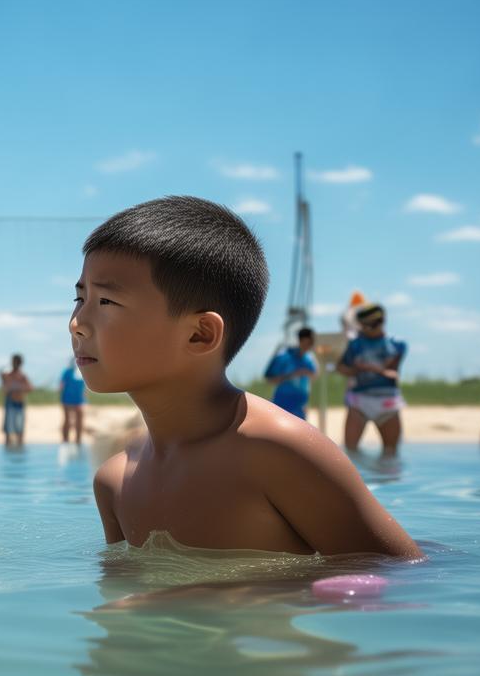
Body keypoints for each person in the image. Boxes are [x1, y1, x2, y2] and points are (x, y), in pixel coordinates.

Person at [76, 196, 420, 557]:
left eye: (106, 303)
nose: (77, 324)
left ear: (200, 334)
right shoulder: (115, 481)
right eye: (79, 299)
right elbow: (122, 592)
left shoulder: (277, 452)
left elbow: (395, 571)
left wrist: (233, 595)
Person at [336, 304, 407, 457]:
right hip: (359, 400)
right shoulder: (355, 344)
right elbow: (341, 367)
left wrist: (366, 367)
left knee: (390, 454)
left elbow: (391, 371)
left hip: (387, 401)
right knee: (350, 452)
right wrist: (356, 369)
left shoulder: (397, 344)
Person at [264, 327, 317, 420]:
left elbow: (314, 376)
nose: (312, 344)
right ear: (303, 340)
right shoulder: (284, 357)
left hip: (300, 408)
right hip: (282, 407)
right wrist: (293, 375)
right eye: (311, 341)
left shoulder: (309, 359)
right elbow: (269, 378)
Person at [0, 354, 33, 446]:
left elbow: (30, 388)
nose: (15, 364)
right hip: (10, 403)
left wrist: (20, 388)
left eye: (16, 362)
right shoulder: (7, 375)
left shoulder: (22, 376)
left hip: (19, 403)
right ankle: (8, 448)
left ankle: (19, 447)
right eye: (14, 362)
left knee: (20, 429)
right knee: (8, 429)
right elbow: (3, 385)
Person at [59, 357, 87, 443]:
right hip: (67, 399)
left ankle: (78, 441)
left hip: (79, 400)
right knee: (67, 420)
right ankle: (65, 441)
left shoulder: (82, 372)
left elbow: (84, 387)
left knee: (79, 420)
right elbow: (61, 386)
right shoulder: (67, 372)